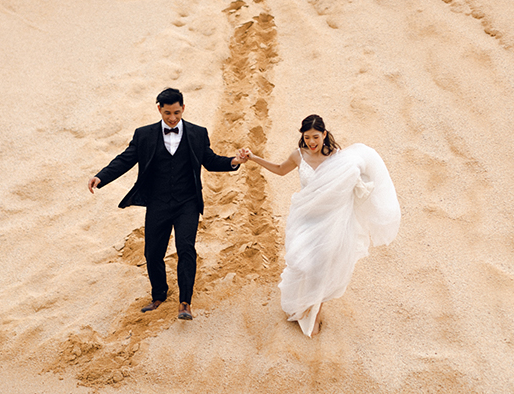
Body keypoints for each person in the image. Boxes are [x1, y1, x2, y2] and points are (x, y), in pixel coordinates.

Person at [89, 88, 246, 321]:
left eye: (176, 112)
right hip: (158, 203)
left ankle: (185, 302)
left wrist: (234, 161)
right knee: (153, 253)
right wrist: (101, 177)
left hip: (187, 203)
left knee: (186, 250)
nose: (172, 118)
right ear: (159, 109)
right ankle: (159, 295)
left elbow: (210, 161)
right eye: (167, 113)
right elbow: (125, 160)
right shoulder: (144, 135)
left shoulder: (197, 133)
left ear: (183, 108)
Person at [241, 115, 400, 337]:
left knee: (322, 268)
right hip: (304, 219)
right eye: (307, 138)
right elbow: (279, 169)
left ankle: (314, 313)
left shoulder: (338, 158)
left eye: (315, 137)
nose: (311, 142)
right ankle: (303, 303)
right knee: (302, 262)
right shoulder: (298, 155)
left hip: (331, 223)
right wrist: (253, 158)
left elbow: (355, 183)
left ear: (324, 135)